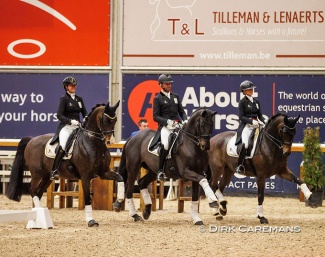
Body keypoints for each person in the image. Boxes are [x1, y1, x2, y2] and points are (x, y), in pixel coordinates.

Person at [50, 76, 88, 179]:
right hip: (66, 127)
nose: (74, 87)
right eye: (72, 85)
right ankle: (54, 170)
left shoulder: (79, 99)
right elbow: (59, 115)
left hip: (78, 127)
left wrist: (85, 119)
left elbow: (85, 113)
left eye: (75, 85)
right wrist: (71, 121)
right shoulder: (64, 99)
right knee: (62, 146)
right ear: (66, 87)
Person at [152, 74, 188, 181]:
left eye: (170, 84)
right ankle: (161, 171)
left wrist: (185, 119)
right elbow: (155, 116)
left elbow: (181, 111)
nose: (169, 85)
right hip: (165, 127)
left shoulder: (175, 97)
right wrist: (167, 121)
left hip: (177, 125)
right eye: (167, 84)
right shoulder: (157, 99)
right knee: (166, 145)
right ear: (161, 85)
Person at [235, 80, 266, 174]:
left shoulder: (256, 101)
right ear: (244, 91)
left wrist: (265, 121)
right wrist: (251, 121)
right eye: (249, 89)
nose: (251, 90)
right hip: (246, 126)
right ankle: (239, 165)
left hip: (257, 125)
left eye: (252, 89)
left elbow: (259, 115)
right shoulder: (242, 102)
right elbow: (241, 117)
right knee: (246, 144)